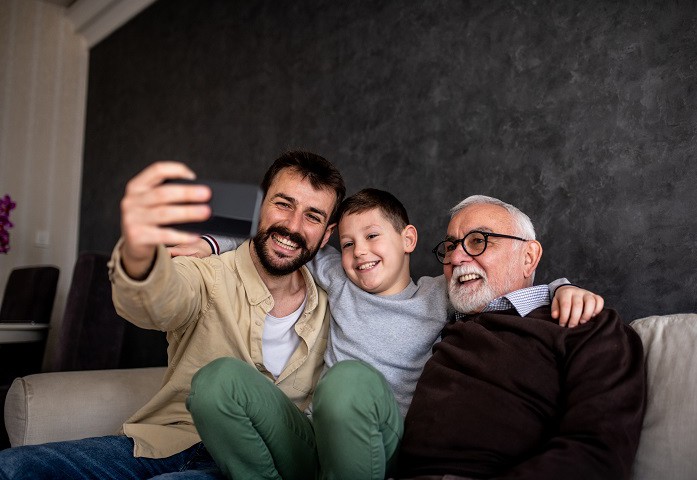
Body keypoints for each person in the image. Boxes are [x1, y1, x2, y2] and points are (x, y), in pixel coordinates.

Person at [182, 188, 604, 479]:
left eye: (371, 236)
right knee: (216, 382)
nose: (359, 251)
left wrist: (561, 287)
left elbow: (498, 284)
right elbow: (283, 241)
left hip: (380, 447)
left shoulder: (440, 293)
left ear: (408, 239)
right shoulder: (339, 279)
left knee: (348, 381)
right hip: (313, 439)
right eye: (347, 244)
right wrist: (210, 242)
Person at [0, 150, 346, 480]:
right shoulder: (208, 273)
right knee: (11, 467)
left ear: (327, 233)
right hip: (166, 442)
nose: (292, 225)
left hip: (250, 462)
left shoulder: (337, 308)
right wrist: (140, 255)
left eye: (312, 216)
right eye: (283, 204)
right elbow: (160, 300)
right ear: (260, 207)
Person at [396, 195, 646, 480]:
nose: (456, 257)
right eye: (451, 245)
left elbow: (597, 452)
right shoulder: (437, 318)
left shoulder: (586, 325)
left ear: (528, 257)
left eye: (478, 240)